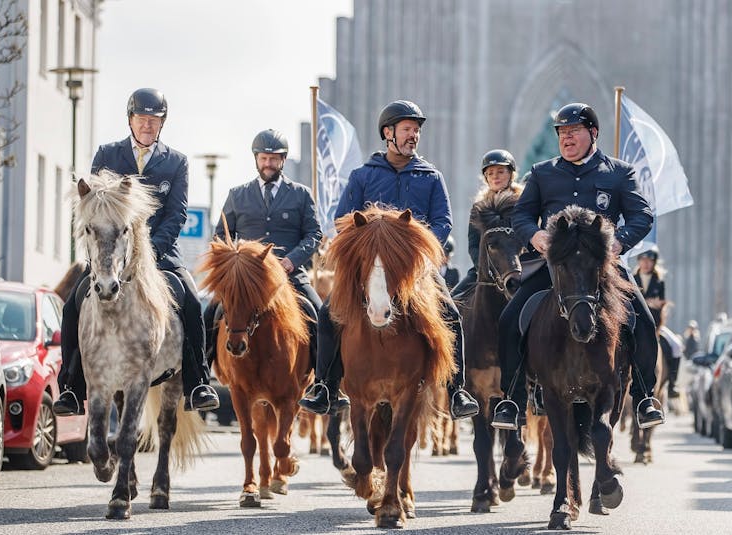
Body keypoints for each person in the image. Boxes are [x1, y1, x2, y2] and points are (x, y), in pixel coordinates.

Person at [298, 100, 479, 420]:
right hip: (369, 268)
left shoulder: (431, 177)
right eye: (407, 129)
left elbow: (443, 222)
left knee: (451, 314)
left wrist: (421, 252)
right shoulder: (362, 176)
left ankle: (457, 390)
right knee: (327, 314)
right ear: (388, 133)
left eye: (417, 130)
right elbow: (343, 220)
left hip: (415, 268)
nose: (414, 135)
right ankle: (326, 386)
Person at [491, 102, 664, 430]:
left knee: (642, 321)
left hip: (603, 269)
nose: (566, 138)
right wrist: (535, 235)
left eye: (573, 131)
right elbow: (521, 215)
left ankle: (644, 396)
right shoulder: (542, 173)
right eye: (561, 133)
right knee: (509, 320)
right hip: (554, 267)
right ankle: (512, 399)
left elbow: (642, 215)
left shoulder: (619, 173)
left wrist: (619, 241)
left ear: (593, 133)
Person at [53, 88, 219, 416]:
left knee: (190, 300)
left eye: (154, 120)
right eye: (141, 119)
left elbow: (177, 214)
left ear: (162, 123)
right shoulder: (108, 154)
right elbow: (91, 205)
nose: (147, 125)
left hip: (160, 256)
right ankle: (71, 386)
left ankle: (198, 382)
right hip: (110, 254)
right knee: (72, 305)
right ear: (130, 120)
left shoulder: (176, 162)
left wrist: (147, 254)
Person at [205, 129, 323, 369]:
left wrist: (291, 261)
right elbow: (220, 237)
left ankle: (324, 381)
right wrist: (236, 262)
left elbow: (314, 235)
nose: (268, 163)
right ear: (256, 159)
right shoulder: (237, 195)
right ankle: (201, 377)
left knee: (321, 316)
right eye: (264, 158)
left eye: (273, 159)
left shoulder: (301, 194)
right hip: (245, 280)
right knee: (209, 315)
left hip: (290, 276)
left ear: (283, 160)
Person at [451, 149, 524, 298]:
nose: (495, 176)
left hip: (518, 267)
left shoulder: (522, 202)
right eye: (490, 173)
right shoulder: (479, 207)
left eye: (500, 172)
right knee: (450, 303)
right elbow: (473, 244)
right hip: (486, 268)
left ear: (511, 174)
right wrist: (483, 268)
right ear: (486, 178)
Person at [632, 245, 679, 398]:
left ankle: (672, 384)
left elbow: (661, 304)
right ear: (639, 261)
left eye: (650, 260)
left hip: (655, 327)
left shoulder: (659, 282)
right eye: (643, 259)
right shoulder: (631, 279)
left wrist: (654, 304)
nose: (646, 263)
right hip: (635, 326)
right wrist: (648, 302)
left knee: (676, 346)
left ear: (654, 262)